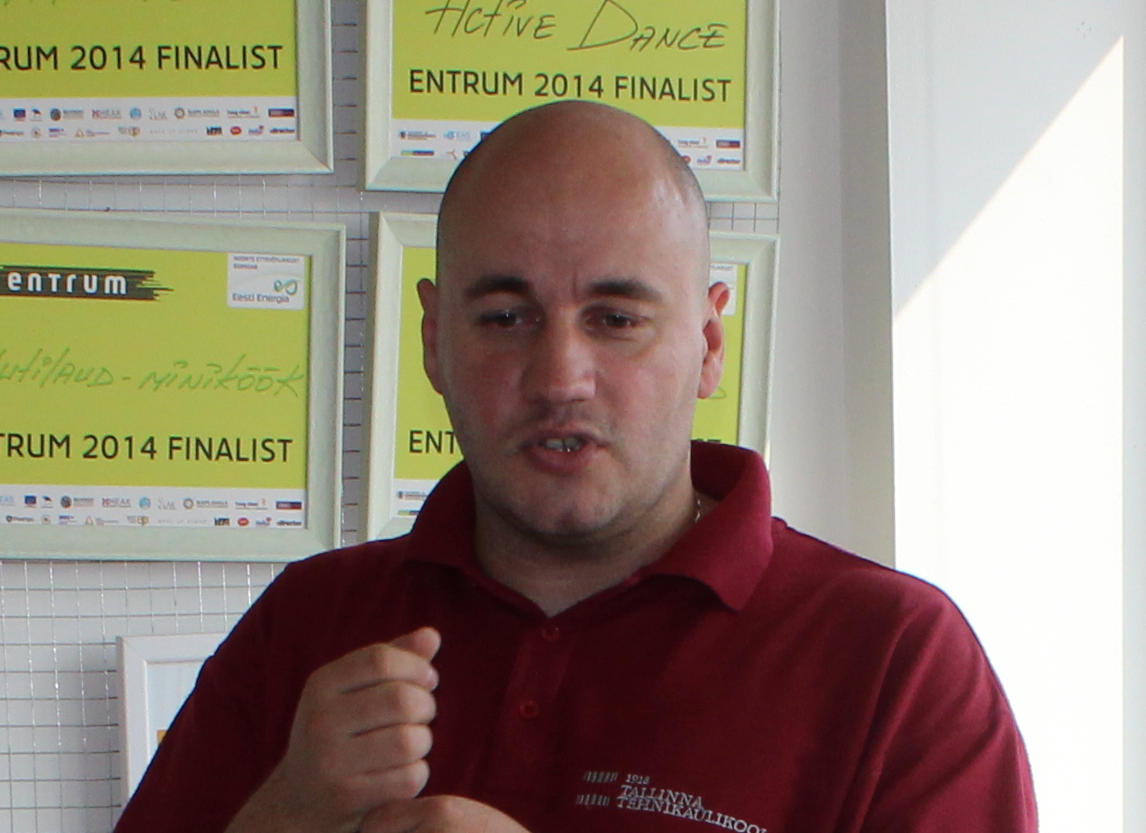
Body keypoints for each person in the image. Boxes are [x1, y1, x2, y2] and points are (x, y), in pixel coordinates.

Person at [115, 101, 1037, 833]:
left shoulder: (896, 659)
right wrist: (285, 817)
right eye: (505, 317)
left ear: (709, 342)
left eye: (617, 318)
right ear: (434, 340)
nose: (560, 376)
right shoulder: (308, 625)